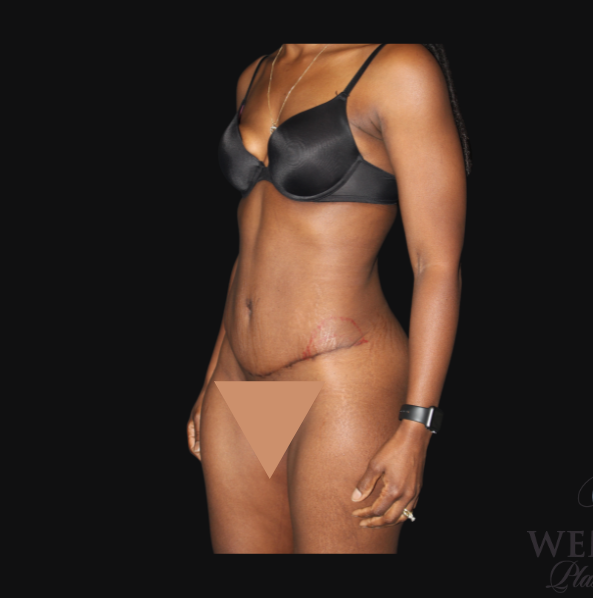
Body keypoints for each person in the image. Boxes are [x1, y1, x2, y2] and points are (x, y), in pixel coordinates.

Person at [188, 43, 469, 553]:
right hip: (239, 380)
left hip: (339, 382)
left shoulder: (397, 68)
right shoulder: (257, 72)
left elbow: (436, 265)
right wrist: (211, 378)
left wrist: (417, 425)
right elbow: (254, 244)